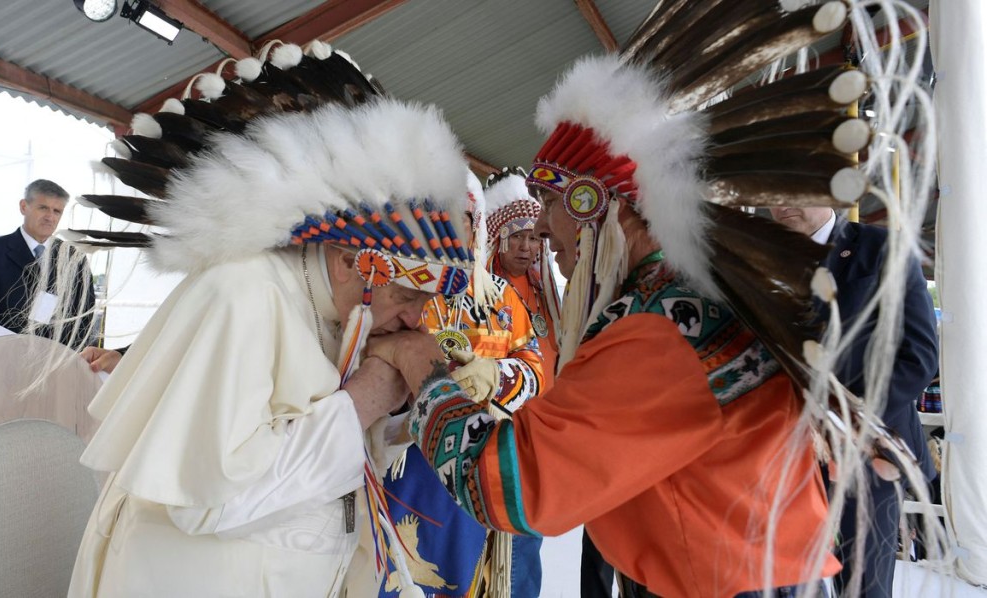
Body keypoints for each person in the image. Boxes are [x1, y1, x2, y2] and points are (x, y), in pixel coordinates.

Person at [361, 2, 938, 594]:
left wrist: (424, 366)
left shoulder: (660, 326)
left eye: (551, 204)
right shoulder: (688, 297)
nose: (544, 233)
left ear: (596, 205)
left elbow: (509, 484)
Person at [64, 41, 478, 598]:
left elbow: (331, 449)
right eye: (407, 295)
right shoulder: (243, 294)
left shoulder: (341, 309)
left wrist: (401, 401)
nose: (415, 320)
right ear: (349, 260)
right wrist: (368, 395)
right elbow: (208, 501)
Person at [379, 175, 545, 597]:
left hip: (479, 458)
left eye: (464, 218)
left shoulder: (503, 299)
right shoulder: (398, 288)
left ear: (479, 226)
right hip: (406, 460)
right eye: (440, 216)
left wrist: (497, 376)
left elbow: (536, 370)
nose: (451, 228)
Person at [770, 206, 939, 598]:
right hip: (783, 449)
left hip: (867, 452)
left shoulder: (882, 248)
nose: (781, 203)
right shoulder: (763, 254)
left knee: (864, 584)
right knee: (785, 579)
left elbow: (917, 357)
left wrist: (841, 422)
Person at [0, 179, 95, 346]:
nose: (50, 217)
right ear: (24, 206)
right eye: (43, 208)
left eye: (57, 211)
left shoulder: (74, 258)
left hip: (57, 356)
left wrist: (69, 354)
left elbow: (84, 316)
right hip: (2, 354)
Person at [483, 167, 561, 387]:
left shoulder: (544, 291)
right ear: (499, 240)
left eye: (534, 239)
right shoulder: (486, 291)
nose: (525, 247)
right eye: (516, 236)